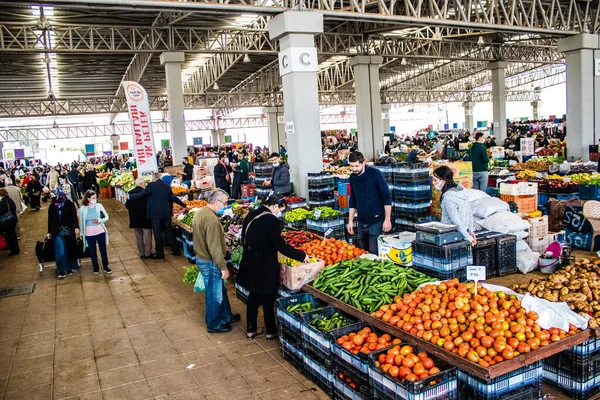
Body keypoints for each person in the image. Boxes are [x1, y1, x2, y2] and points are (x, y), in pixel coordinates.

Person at [237, 194, 308, 339]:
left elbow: (243, 237)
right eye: (280, 210)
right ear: (275, 206)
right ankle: (270, 331)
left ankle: (251, 328)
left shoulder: (252, 214)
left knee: (254, 295)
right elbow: (280, 246)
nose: (279, 213)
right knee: (268, 296)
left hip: (251, 260)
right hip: (266, 263)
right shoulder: (272, 221)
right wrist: (302, 256)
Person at [192, 189, 239, 334]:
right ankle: (213, 324)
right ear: (216, 201)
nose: (225, 206)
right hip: (210, 261)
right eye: (224, 203)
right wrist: (223, 267)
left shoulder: (200, 212)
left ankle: (226, 316)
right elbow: (214, 248)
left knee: (221, 290)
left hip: (202, 257)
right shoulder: (212, 220)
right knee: (214, 295)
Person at [128, 173, 187, 259]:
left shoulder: (151, 186)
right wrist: (184, 206)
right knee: (169, 231)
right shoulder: (166, 186)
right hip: (165, 213)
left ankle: (160, 253)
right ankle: (175, 250)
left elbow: (141, 194)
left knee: (157, 233)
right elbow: (174, 198)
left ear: (154, 179)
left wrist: (131, 197)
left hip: (155, 214)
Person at [347, 152, 392, 254]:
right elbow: (353, 199)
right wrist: (350, 221)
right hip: (362, 221)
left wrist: (387, 219)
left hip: (376, 221)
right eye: (352, 166)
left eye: (357, 166)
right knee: (364, 253)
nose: (354, 169)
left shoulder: (375, 174)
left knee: (374, 252)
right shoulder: (352, 178)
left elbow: (386, 197)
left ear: (364, 163)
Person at [431, 166, 476, 245]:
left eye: (435, 180)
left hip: (451, 236)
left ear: (443, 181)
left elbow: (456, 222)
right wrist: (470, 231)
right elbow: (469, 211)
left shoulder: (448, 198)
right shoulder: (461, 189)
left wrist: (469, 238)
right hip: (463, 232)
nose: (433, 183)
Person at [47, 189, 79, 278]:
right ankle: (61, 269)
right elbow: (50, 220)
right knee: (60, 250)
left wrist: (76, 227)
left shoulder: (69, 204)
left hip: (68, 230)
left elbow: (74, 216)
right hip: (56, 231)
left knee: (68, 249)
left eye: (54, 196)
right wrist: (49, 232)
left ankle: (68, 267)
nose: (52, 197)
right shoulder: (52, 206)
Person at [78, 190, 111, 274]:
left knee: (103, 250)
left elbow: (106, 216)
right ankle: (95, 267)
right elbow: (81, 221)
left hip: (100, 231)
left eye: (95, 198)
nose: (95, 199)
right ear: (88, 199)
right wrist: (81, 233)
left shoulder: (99, 206)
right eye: (93, 198)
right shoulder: (82, 209)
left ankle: (105, 266)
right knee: (92, 251)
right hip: (89, 233)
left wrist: (99, 220)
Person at [126, 178, 153, 259]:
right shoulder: (145, 193)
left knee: (138, 237)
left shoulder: (130, 193)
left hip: (134, 218)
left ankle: (141, 253)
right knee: (147, 236)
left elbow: (127, 206)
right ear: (141, 184)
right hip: (145, 218)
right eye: (144, 183)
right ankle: (148, 253)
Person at [0, 188, 19, 255]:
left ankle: (14, 250)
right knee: (12, 235)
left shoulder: (4, 202)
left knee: (10, 236)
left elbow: (1, 211)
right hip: (12, 220)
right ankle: (15, 249)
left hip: (8, 221)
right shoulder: (9, 200)